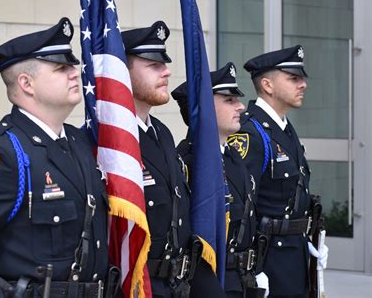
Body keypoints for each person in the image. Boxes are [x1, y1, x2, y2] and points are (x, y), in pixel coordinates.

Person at [0, 17, 111, 298]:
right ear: (26, 83)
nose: (75, 73)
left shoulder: (77, 141)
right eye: (61, 68)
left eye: (72, 65)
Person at [121, 21, 225, 298]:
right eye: (153, 64)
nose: (167, 71)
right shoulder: (111, 143)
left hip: (180, 283)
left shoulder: (162, 134)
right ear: (122, 71)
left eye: (164, 63)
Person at [227, 46, 328, 298]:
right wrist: (251, 269)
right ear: (268, 85)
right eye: (293, 78)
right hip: (269, 259)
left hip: (294, 255)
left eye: (301, 78)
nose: (303, 84)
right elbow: (242, 207)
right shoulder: (251, 132)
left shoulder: (284, 128)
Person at [172, 62, 269, 298]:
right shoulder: (191, 163)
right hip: (213, 284)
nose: (241, 107)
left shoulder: (232, 156)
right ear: (202, 108)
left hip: (241, 281)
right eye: (229, 100)